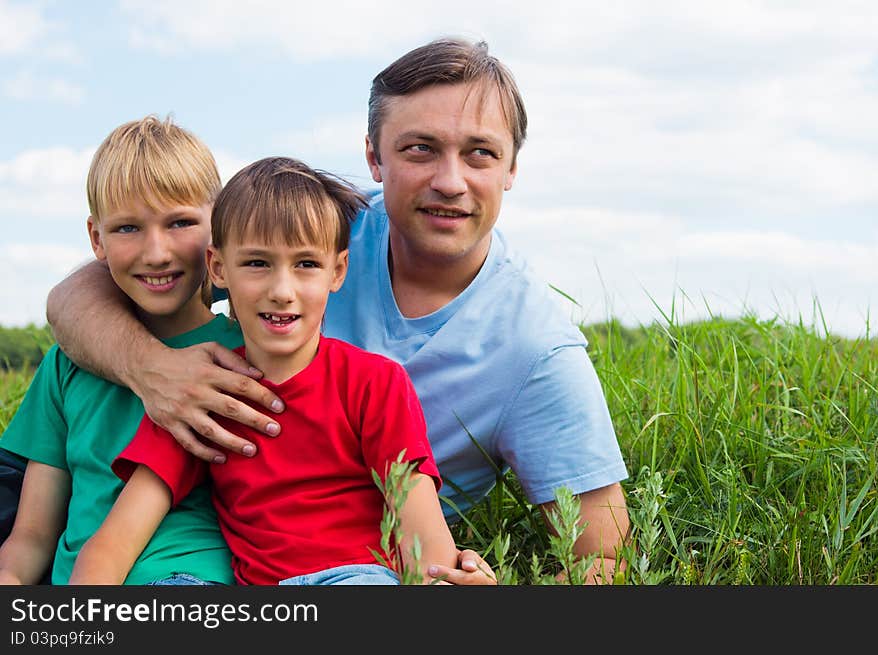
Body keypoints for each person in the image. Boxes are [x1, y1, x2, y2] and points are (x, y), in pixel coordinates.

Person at [45, 37, 631, 584]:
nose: (450, 181)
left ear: (511, 170)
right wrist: (155, 370)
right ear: (374, 156)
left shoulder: (535, 350)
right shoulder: (315, 224)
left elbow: (604, 554)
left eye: (480, 153)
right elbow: (83, 293)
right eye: (420, 148)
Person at [69, 156, 459, 586]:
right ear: (219, 268)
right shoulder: (204, 390)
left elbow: (421, 531)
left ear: (338, 271)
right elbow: (116, 541)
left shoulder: (374, 383)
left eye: (306, 264)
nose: (281, 291)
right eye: (257, 263)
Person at [0, 115, 239, 585]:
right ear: (97, 240)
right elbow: (30, 537)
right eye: (128, 228)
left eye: (180, 223)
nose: (156, 252)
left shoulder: (246, 353)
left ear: (218, 229)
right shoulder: (66, 365)